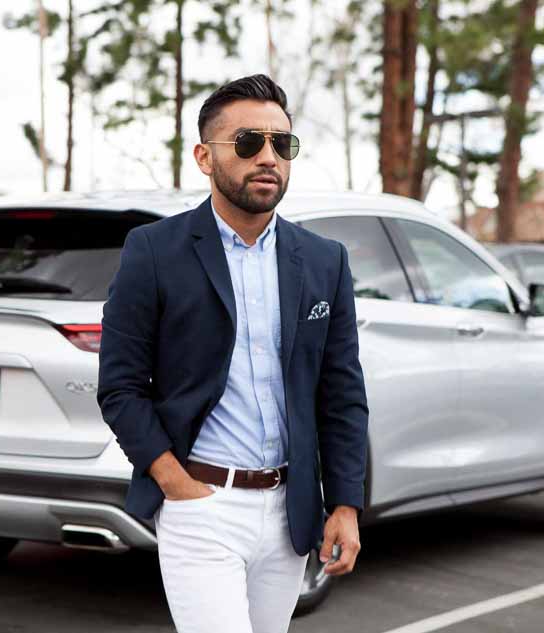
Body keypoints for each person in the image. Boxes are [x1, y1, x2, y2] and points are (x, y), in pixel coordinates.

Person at [97, 74, 369, 633]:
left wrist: (345, 503)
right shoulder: (153, 251)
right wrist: (174, 481)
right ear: (205, 156)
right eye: (248, 142)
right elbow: (121, 385)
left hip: (290, 510)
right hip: (202, 505)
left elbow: (340, 392)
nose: (268, 157)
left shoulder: (324, 261)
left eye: (281, 144)